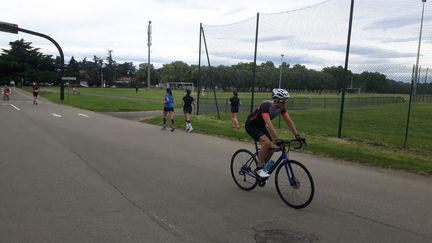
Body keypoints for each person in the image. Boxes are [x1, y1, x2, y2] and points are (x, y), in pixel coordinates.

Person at [245, 88, 304, 178]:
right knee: (266, 142)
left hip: (261, 126)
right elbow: (268, 124)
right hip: (251, 125)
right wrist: (277, 139)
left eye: (285, 102)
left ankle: (263, 165)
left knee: (272, 148)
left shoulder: (281, 108)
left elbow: (289, 121)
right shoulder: (265, 105)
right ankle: (259, 168)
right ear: (276, 101)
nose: (285, 104)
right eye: (283, 102)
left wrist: (297, 135)